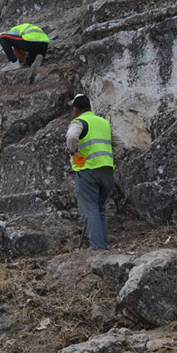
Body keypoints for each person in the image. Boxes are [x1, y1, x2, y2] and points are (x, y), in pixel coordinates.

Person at [67, 94, 115, 250]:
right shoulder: (103, 122)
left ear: (76, 110)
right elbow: (119, 143)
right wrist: (108, 158)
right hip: (107, 171)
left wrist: (74, 153)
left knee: (90, 209)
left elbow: (71, 137)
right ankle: (103, 244)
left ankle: (97, 247)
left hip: (88, 170)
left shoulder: (79, 122)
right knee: (100, 209)